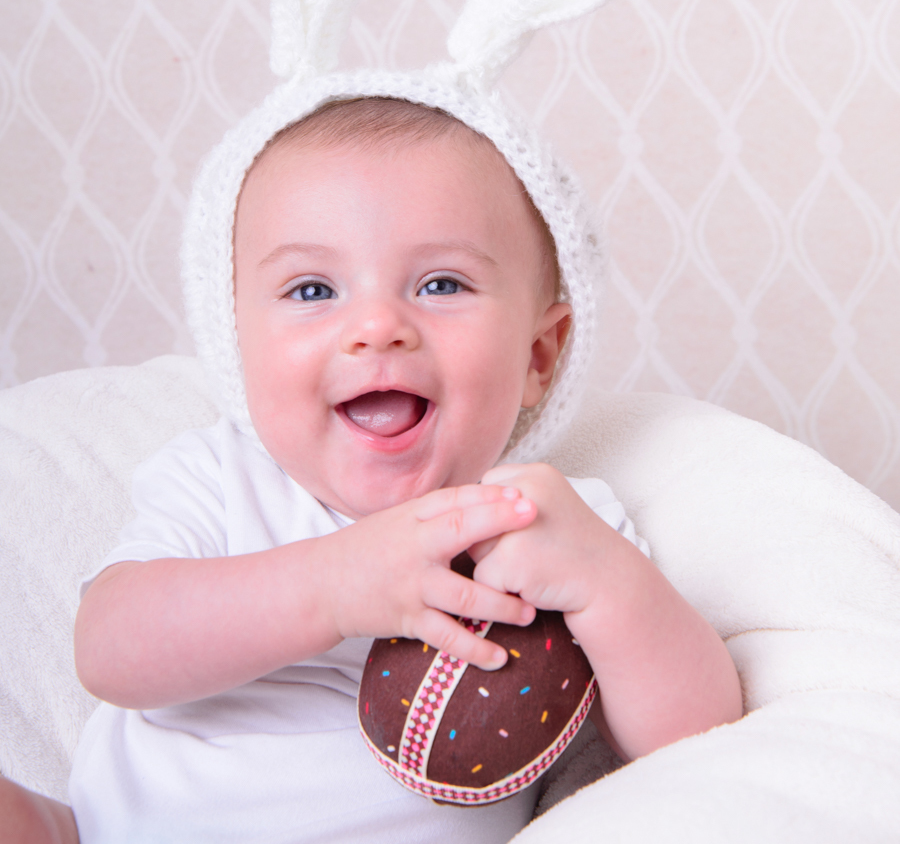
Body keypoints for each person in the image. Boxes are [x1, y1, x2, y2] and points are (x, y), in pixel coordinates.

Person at [1, 97, 742, 844]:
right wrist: (330, 587)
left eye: (441, 284)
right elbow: (108, 650)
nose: (377, 326)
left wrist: (609, 584)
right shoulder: (221, 478)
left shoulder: (545, 527)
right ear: (238, 348)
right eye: (313, 290)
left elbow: (699, 738)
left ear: (536, 357)